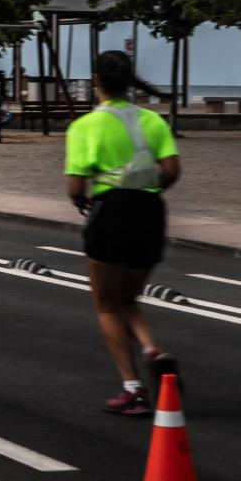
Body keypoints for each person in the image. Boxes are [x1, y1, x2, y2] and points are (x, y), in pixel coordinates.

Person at [65, 50, 182, 415]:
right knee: (129, 298)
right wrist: (149, 190)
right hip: (150, 213)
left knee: (106, 304)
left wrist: (83, 202)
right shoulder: (152, 121)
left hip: (110, 212)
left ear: (95, 80)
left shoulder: (84, 126)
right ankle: (152, 349)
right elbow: (172, 170)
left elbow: (75, 186)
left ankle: (133, 389)